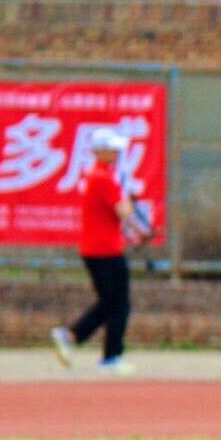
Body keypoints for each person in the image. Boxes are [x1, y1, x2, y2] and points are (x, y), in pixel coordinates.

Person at [53, 125, 148, 374]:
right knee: (119, 304)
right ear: (101, 151)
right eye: (113, 149)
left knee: (110, 302)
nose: (117, 153)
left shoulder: (101, 175)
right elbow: (123, 211)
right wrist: (141, 230)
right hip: (105, 250)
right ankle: (110, 356)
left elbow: (119, 204)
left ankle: (72, 337)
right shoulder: (102, 177)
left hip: (97, 249)